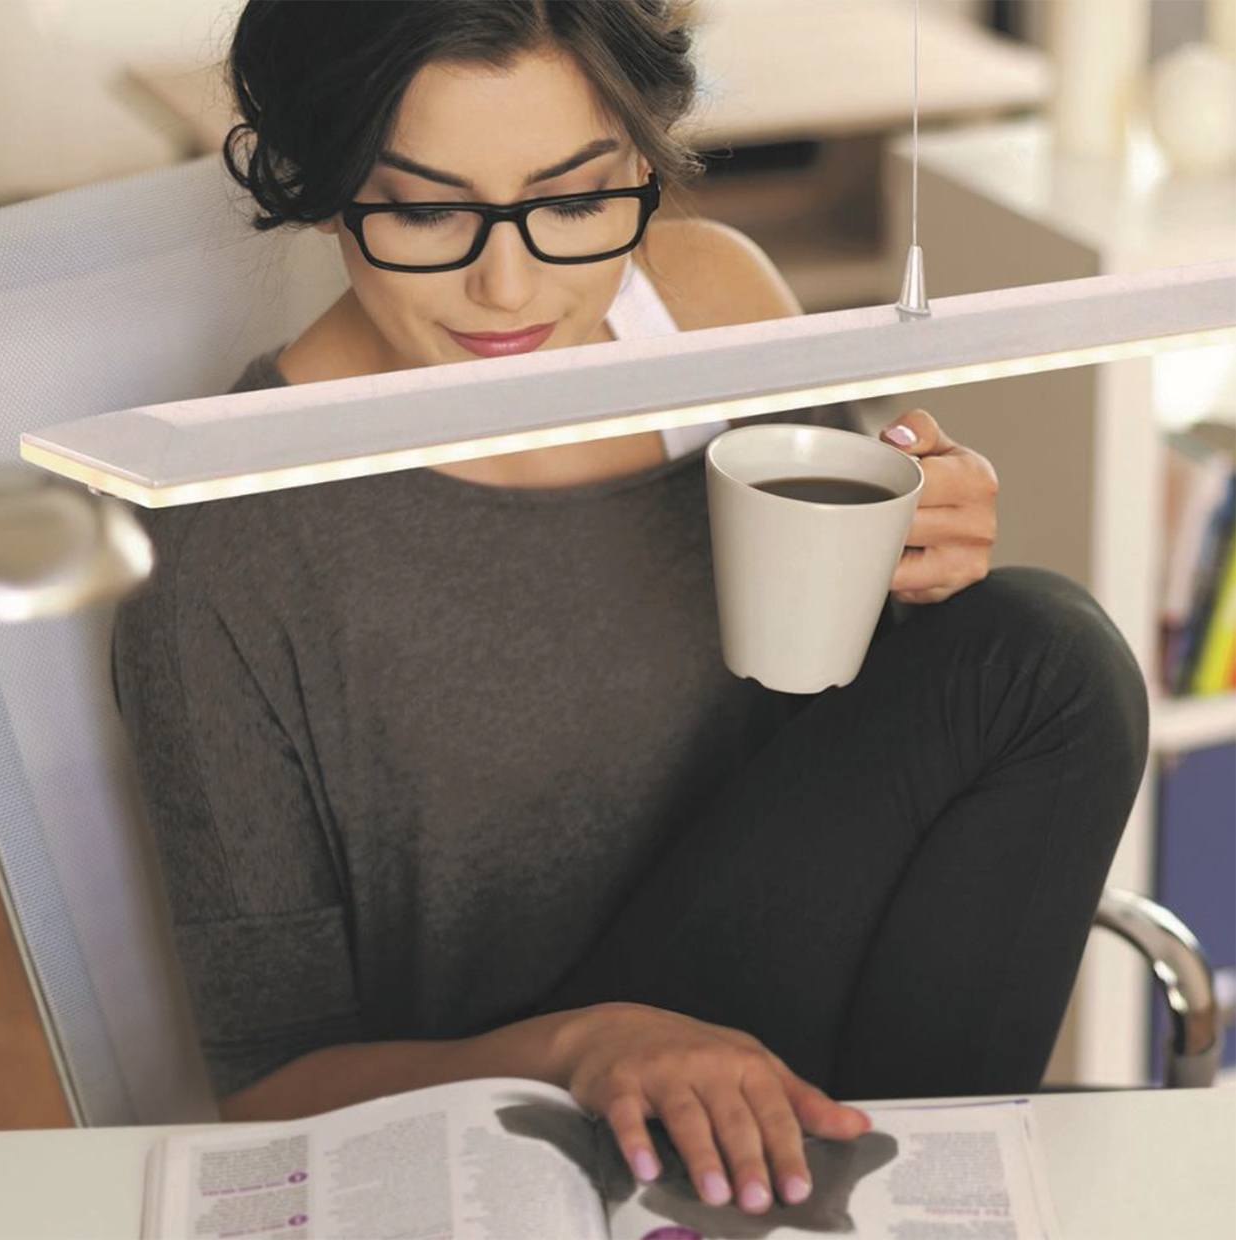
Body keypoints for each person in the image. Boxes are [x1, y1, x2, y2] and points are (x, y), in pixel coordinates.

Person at [111, 0, 1150, 1219]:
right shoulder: (225, 545)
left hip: (819, 1058)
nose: (506, 286)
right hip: (530, 1128)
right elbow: (268, 1095)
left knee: (1043, 657)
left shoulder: (709, 310)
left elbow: (872, 730)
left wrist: (926, 553)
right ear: (326, 181)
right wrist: (582, 1045)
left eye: (572, 200)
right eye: (427, 211)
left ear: (642, 161)